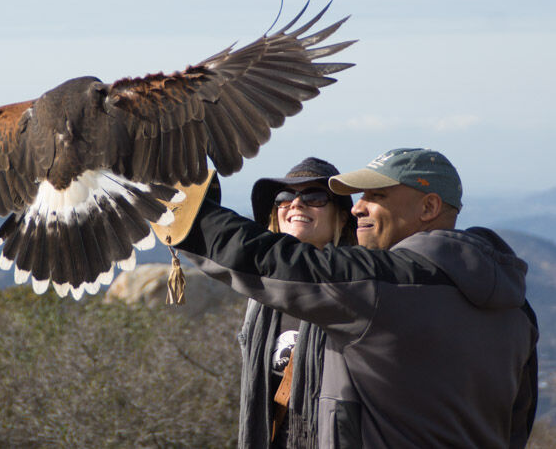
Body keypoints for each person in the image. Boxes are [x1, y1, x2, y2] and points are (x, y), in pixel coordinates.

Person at [172, 148, 538, 448]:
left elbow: (272, 261)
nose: (358, 207)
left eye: (376, 196)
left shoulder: (386, 287)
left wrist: (182, 205)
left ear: (428, 208)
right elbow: (515, 426)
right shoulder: (518, 310)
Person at [240, 157, 357, 448]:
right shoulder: (262, 297)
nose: (296, 204)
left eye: (314, 197)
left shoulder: (356, 291)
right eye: (285, 197)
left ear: (342, 217)